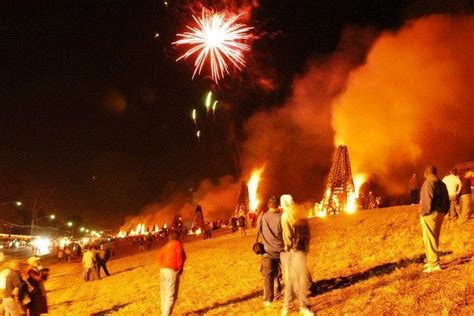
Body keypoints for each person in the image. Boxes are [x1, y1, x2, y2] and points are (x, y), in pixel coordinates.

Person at [280, 195, 313, 316]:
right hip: (302, 250)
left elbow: (287, 235)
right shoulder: (299, 213)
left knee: (291, 280)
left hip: (292, 251)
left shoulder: (285, 216)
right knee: (301, 279)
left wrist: (288, 247)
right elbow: (308, 233)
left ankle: (288, 308)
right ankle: (301, 307)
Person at [419, 165, 450, 273]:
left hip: (431, 214)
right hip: (441, 213)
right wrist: (444, 211)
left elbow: (427, 199)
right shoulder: (442, 183)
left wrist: (424, 212)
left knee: (429, 238)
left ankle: (433, 264)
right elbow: (447, 199)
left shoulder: (428, 183)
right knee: (434, 237)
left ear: (426, 173)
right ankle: (432, 260)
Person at [258, 197, 284, 307]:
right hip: (280, 249)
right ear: (277, 205)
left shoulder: (263, 217)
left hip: (267, 251)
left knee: (268, 275)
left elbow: (259, 231)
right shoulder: (281, 217)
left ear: (269, 205)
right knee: (278, 273)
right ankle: (278, 293)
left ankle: (268, 299)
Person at [158, 231, 186, 316]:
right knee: (171, 295)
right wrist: (180, 268)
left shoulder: (165, 246)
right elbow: (181, 256)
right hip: (172, 270)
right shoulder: (177, 244)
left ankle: (165, 312)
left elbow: (159, 259)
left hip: (163, 270)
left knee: (164, 293)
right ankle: (166, 315)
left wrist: (164, 266)